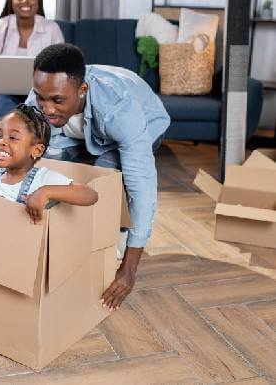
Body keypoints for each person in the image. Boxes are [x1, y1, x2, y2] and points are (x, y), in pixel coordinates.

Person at [25, 43, 171, 309]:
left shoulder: (120, 111)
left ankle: (115, 241)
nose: (45, 109)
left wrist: (129, 270)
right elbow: (17, 144)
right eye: (40, 97)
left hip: (145, 118)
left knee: (106, 177)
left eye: (57, 100)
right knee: (48, 166)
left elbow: (143, 189)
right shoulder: (44, 91)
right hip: (84, 126)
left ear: (82, 90)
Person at [0, 104, 98, 223]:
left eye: (12, 137)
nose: (1, 141)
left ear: (37, 150)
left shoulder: (42, 178)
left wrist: (44, 192)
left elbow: (90, 195)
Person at [0, 0, 64, 119]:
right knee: (3, 104)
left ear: (38, 1)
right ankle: (7, 139)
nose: (25, 1)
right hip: (5, 92)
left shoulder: (52, 29)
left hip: (40, 91)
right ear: (11, 1)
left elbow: (61, 65)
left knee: (38, 112)